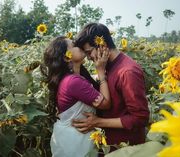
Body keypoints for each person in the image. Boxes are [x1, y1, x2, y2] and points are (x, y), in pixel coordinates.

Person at [73, 23, 150, 151]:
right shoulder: (107, 66)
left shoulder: (127, 72)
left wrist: (97, 122)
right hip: (112, 145)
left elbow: (140, 118)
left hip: (126, 148)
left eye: (88, 52)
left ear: (102, 45)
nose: (88, 58)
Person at [41, 36, 111, 157]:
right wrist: (101, 71)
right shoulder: (74, 82)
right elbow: (106, 104)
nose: (79, 46)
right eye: (74, 45)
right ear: (66, 57)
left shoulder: (71, 78)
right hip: (75, 142)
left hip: (70, 139)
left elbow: (88, 83)